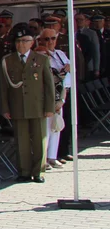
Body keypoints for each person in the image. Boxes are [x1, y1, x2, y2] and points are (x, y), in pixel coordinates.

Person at [0, 24, 56, 183]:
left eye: (25, 40)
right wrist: (5, 107)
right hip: (17, 106)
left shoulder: (42, 59)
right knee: (22, 141)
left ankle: (38, 171)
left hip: (37, 105)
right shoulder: (7, 61)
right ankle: (23, 171)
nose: (21, 44)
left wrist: (50, 108)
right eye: (18, 41)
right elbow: (3, 87)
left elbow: (48, 86)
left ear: (32, 42)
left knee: (39, 139)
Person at [36, 30, 69, 171]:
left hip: (59, 94)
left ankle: (52, 157)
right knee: (46, 130)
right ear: (41, 40)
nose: (50, 41)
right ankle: (43, 159)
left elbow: (68, 75)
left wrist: (62, 99)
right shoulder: (39, 54)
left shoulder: (60, 54)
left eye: (53, 38)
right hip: (45, 96)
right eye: (47, 39)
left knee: (56, 127)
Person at [76, 11, 101, 80]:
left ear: (85, 21)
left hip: (88, 65)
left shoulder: (91, 33)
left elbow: (96, 51)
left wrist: (96, 69)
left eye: (81, 20)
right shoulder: (72, 32)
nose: (79, 21)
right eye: (77, 20)